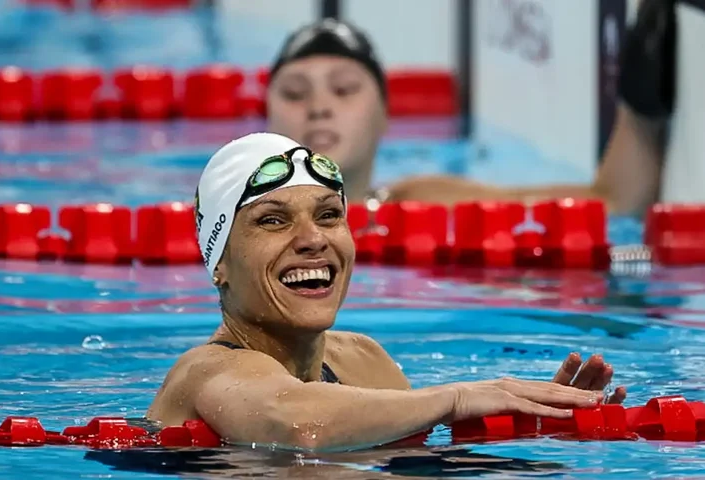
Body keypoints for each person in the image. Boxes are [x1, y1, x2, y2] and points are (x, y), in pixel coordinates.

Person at [146, 132, 625, 450]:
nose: (314, 239)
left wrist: (533, 426)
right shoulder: (205, 372)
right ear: (219, 265)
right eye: (273, 220)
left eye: (329, 215)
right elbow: (293, 422)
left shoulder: (362, 361)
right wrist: (459, 399)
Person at [265, 1, 675, 218]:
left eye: (343, 89)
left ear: (384, 115)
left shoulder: (423, 203)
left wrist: (638, 107)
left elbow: (616, 202)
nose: (319, 107)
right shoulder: (233, 219)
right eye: (295, 94)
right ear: (267, 118)